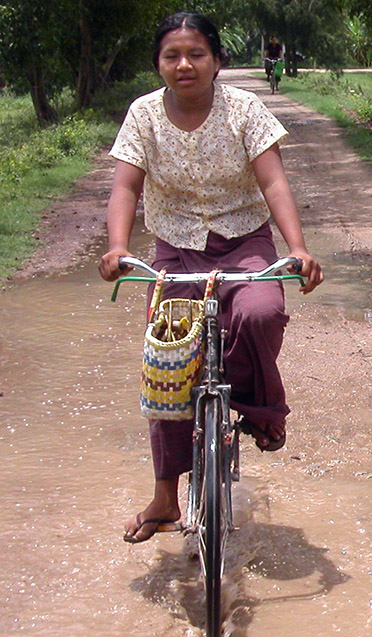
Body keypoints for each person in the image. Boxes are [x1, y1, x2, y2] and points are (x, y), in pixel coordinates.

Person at [98, 12, 323, 544]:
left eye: (196, 54)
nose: (184, 65)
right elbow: (126, 189)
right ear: (158, 63)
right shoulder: (143, 115)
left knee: (260, 311)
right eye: (172, 55)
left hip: (245, 241)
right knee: (169, 363)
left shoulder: (245, 110)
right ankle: (163, 498)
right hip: (175, 252)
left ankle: (256, 410)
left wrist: (297, 249)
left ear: (217, 61)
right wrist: (117, 247)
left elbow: (274, 182)